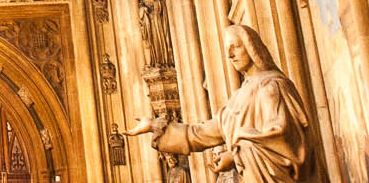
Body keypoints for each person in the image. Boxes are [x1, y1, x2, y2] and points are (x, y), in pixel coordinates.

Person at [127, 24, 308, 182]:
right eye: (227, 49)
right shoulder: (239, 97)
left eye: (236, 47)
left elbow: (282, 140)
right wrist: (153, 125)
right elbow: (201, 133)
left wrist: (234, 156)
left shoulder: (273, 86)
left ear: (251, 47)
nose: (230, 55)